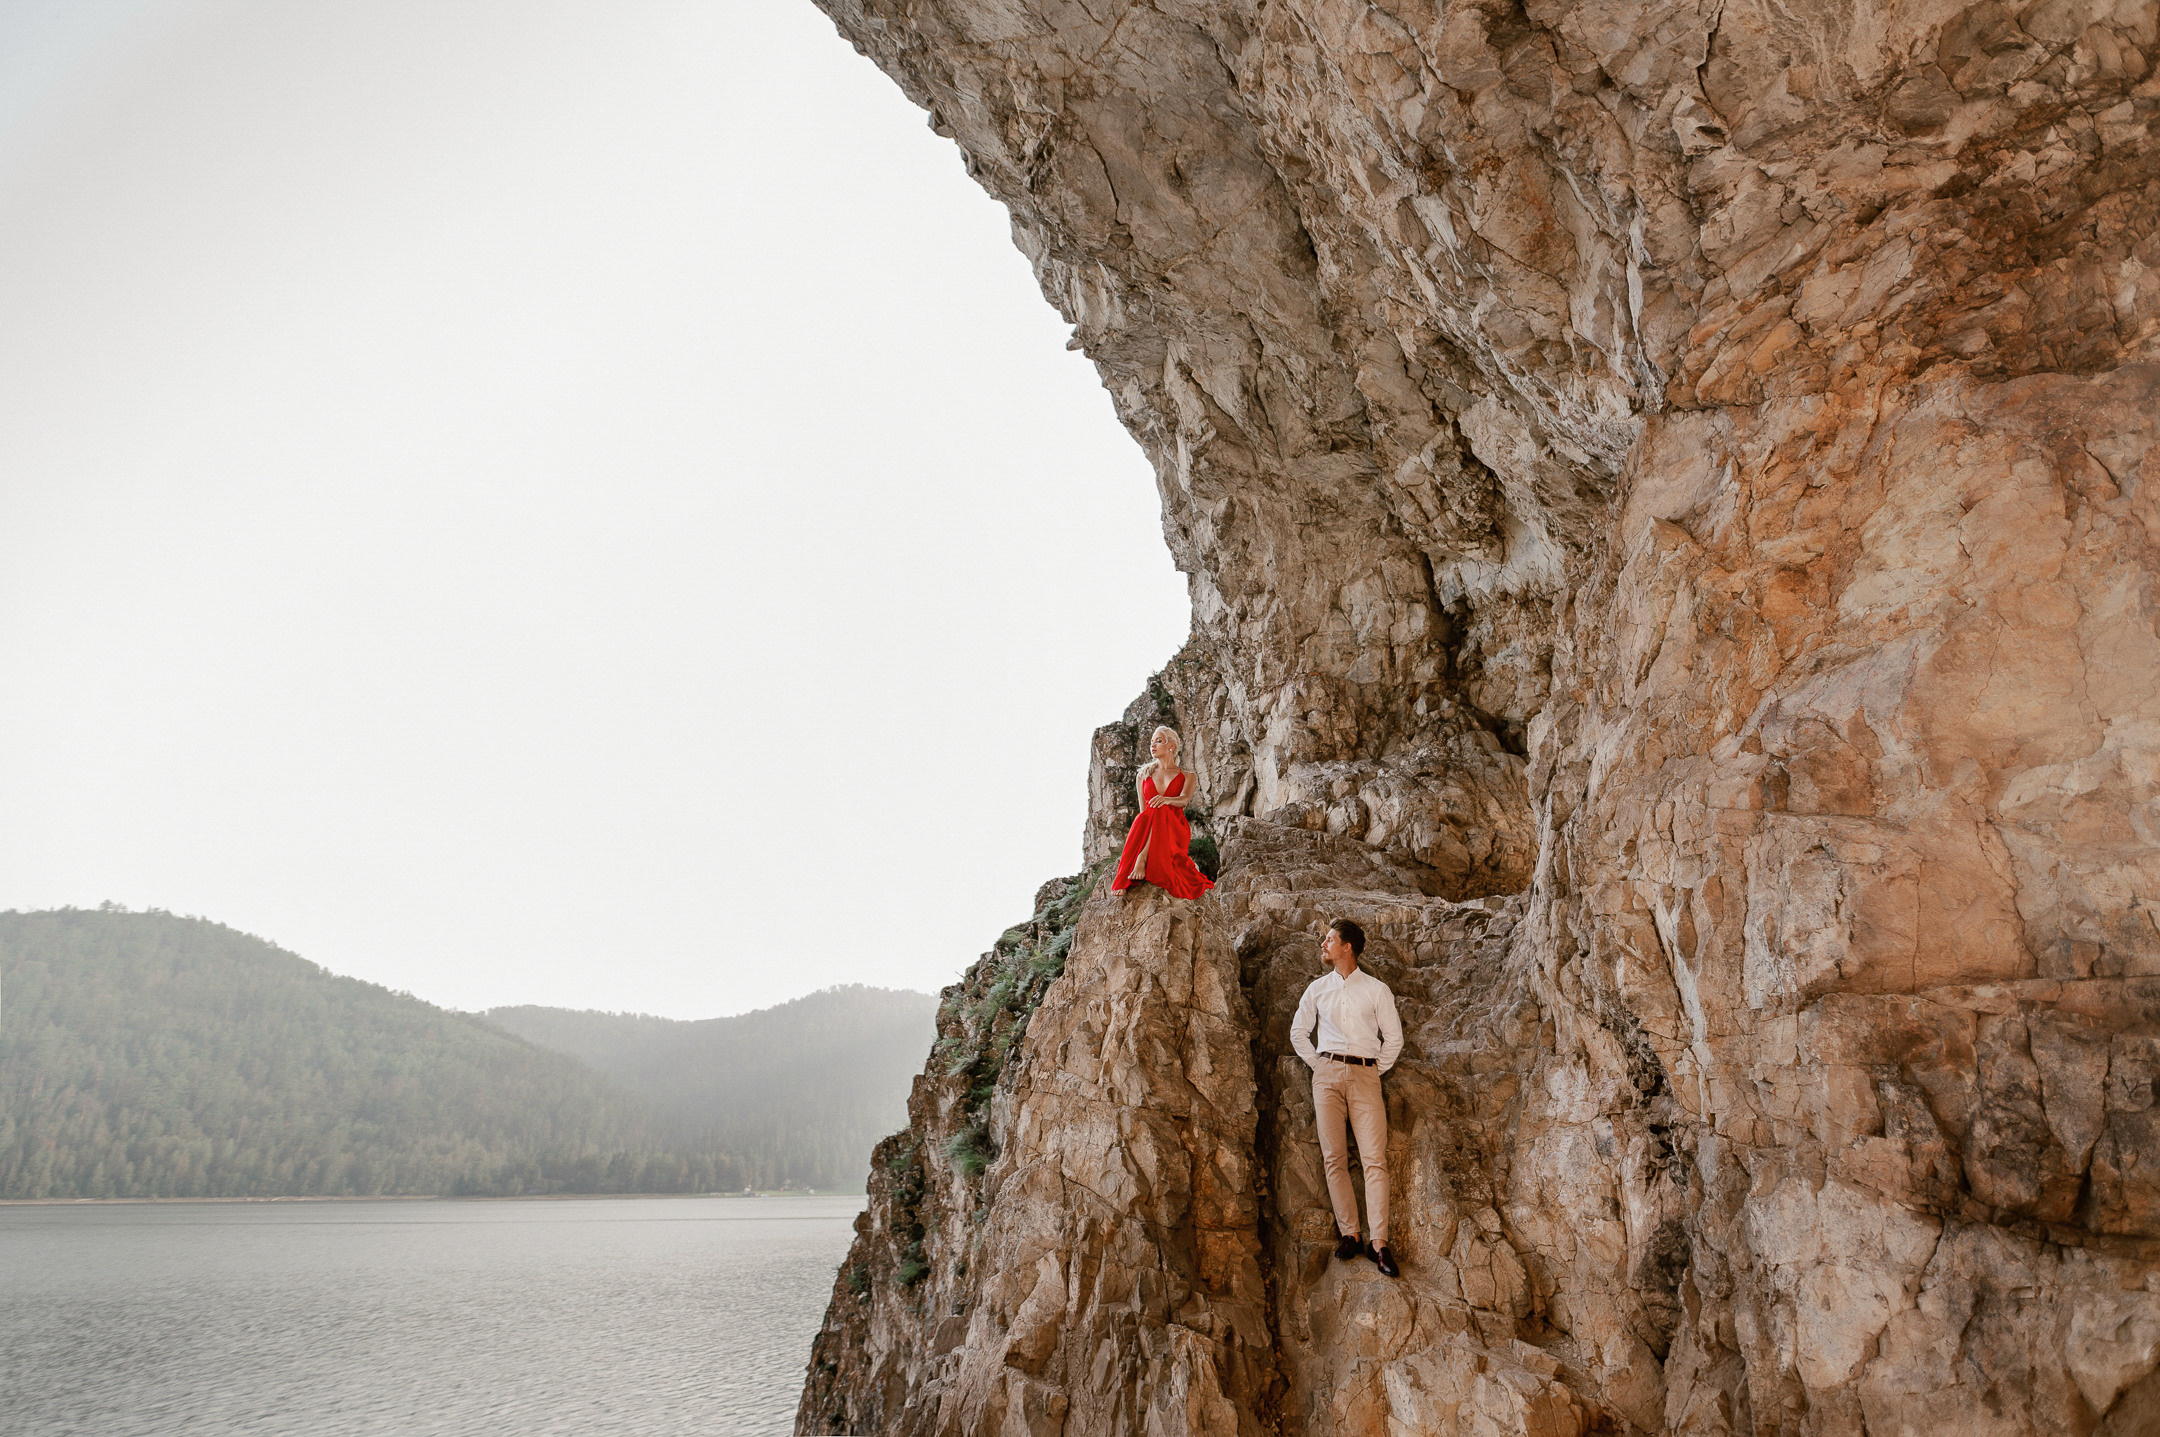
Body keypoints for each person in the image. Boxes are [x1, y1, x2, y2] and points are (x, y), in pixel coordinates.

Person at [1289, 918, 1403, 1278]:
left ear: (1347, 947)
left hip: (1367, 1074)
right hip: (1326, 1075)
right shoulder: (1317, 989)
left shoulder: (1376, 990)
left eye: (1329, 940)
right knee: (1333, 1157)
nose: (1323, 945)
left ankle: (1379, 1243)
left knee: (1374, 1159)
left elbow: (1394, 1039)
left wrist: (1371, 1071)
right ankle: (1350, 1234)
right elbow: (1298, 1032)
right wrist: (1320, 1065)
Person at [1108, 725, 1215, 900]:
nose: (1153, 745)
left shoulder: (1188, 776)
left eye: (1158, 741)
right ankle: (1140, 858)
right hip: (1149, 827)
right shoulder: (1143, 775)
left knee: (1162, 808)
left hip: (1174, 829)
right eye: (1151, 742)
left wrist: (1166, 800)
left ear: (1171, 745)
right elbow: (1143, 812)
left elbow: (1184, 800)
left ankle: (1142, 858)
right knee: (1150, 813)